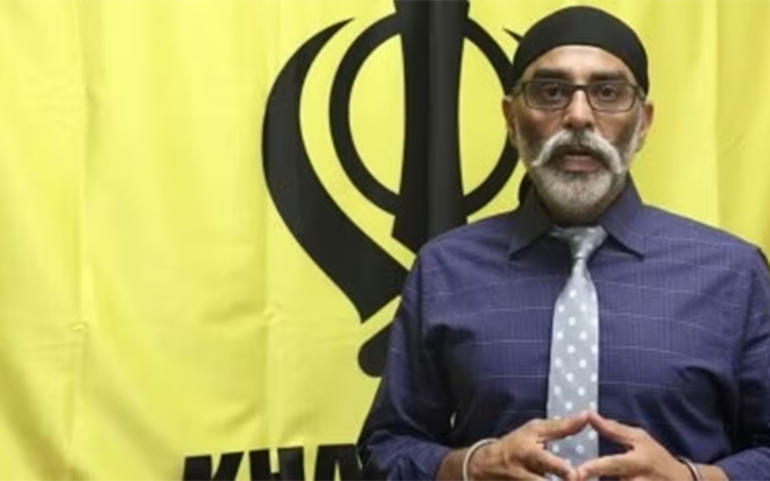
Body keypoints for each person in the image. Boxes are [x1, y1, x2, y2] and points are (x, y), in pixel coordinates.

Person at [357, 5, 770, 481]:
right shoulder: (444, 269)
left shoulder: (732, 274)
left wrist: (694, 479)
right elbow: (385, 449)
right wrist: (468, 466)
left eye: (607, 92)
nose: (578, 116)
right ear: (511, 118)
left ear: (644, 122)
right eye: (550, 91)